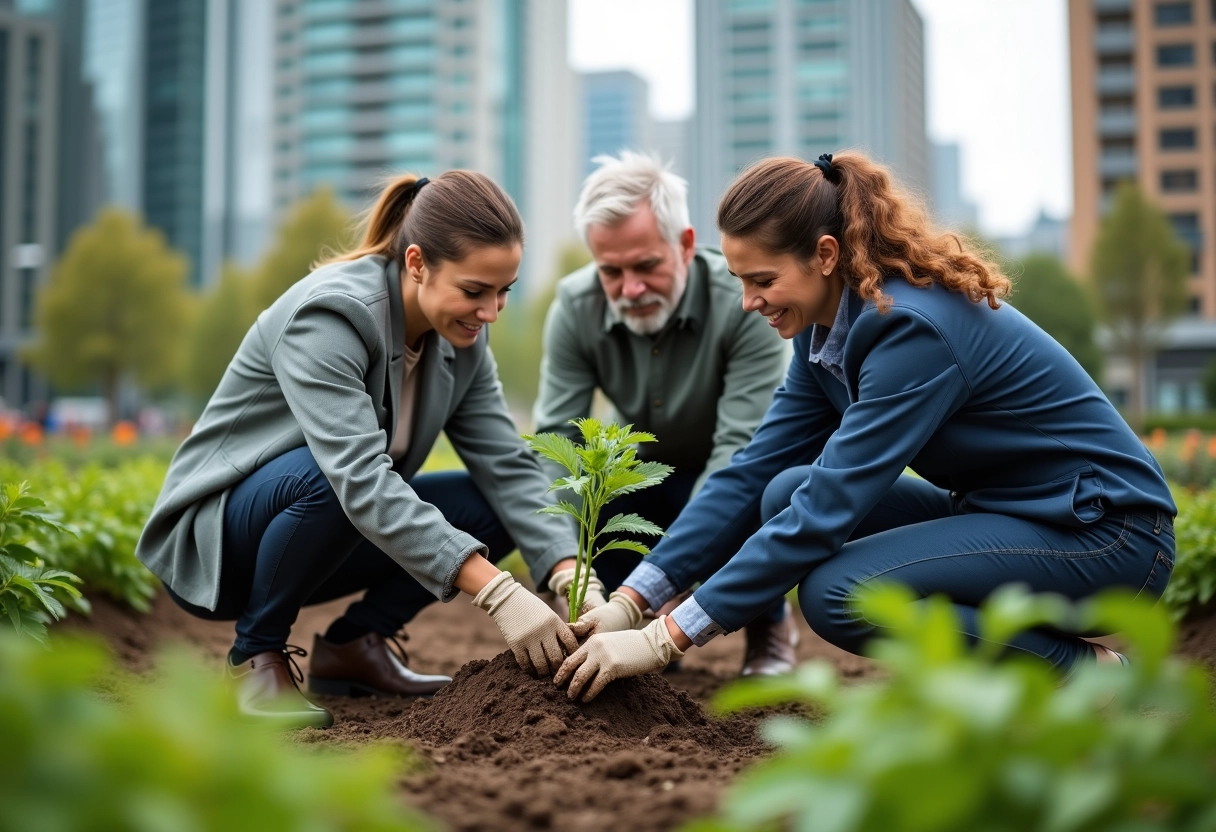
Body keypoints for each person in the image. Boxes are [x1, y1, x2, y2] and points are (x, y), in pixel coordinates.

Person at [555, 152, 1177, 702]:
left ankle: (1091, 674)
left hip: (1107, 535)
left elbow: (831, 504)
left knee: (839, 592)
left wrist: (666, 637)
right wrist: (630, 601)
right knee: (778, 489)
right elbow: (751, 469)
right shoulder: (825, 334)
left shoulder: (910, 329)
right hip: (1011, 510)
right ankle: (997, 665)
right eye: (740, 282)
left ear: (825, 255)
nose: (748, 302)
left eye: (763, 280)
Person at [137, 171, 580, 727]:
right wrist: (499, 593)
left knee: (492, 503)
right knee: (333, 475)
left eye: (503, 291)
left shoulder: (462, 337)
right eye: (474, 291)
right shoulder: (332, 315)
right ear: (417, 263)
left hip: (327, 527)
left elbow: (508, 467)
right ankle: (255, 656)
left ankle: (354, 647)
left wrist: (567, 573)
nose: (491, 312)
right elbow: (359, 476)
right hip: (223, 537)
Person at [532, 151, 795, 676]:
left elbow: (741, 451)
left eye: (647, 265)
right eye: (611, 271)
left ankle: (770, 626)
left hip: (727, 475)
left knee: (763, 491)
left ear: (686, 245)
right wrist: (569, 568)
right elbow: (556, 440)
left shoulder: (746, 304)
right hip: (645, 479)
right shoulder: (574, 307)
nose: (630, 288)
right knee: (596, 492)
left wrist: (670, 591)